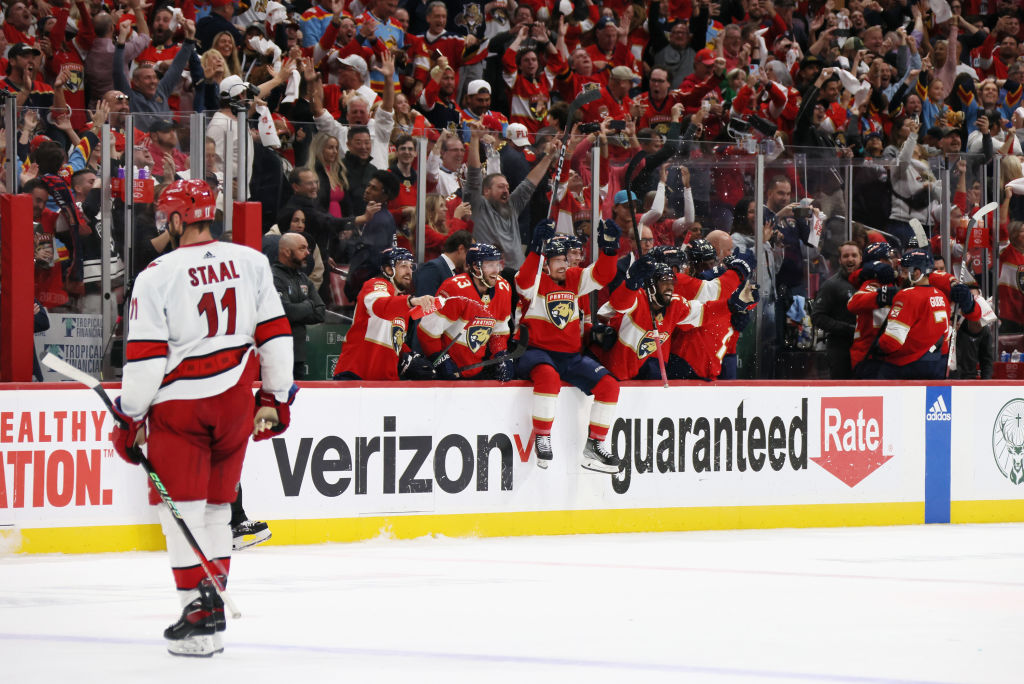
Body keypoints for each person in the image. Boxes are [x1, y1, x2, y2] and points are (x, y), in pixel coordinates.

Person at [109, 179, 296, 657]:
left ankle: (196, 608)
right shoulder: (252, 261)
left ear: (176, 219)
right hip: (235, 401)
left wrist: (129, 417)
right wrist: (274, 398)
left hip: (180, 408)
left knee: (180, 512)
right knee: (218, 511)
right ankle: (210, 617)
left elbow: (147, 359)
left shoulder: (156, 274)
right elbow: (275, 336)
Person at [514, 219, 621, 473]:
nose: (564, 264)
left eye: (565, 259)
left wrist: (609, 249)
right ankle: (542, 436)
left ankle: (595, 444)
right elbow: (524, 281)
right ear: (546, 263)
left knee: (609, 386)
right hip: (535, 352)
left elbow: (602, 275)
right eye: (558, 260)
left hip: (570, 357)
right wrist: (534, 249)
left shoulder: (574, 278)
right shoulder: (535, 281)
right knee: (548, 378)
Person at [595, 258, 732, 381]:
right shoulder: (636, 299)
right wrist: (631, 283)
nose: (670, 286)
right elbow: (618, 304)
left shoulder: (675, 304)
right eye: (664, 281)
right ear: (652, 284)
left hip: (650, 381)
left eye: (672, 281)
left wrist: (732, 304)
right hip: (618, 379)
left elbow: (705, 311)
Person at [866, 249, 980, 379]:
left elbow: (892, 341)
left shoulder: (906, 295)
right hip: (938, 365)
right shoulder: (942, 295)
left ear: (916, 272)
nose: (901, 275)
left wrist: (878, 347)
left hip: (907, 366)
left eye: (904, 271)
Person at [332, 247, 443, 381]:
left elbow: (395, 340)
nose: (409, 272)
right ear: (388, 270)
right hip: (356, 374)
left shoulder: (402, 302)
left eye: (410, 266)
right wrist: (411, 301)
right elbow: (381, 306)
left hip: (384, 379)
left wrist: (409, 357)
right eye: (403, 266)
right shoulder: (375, 285)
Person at [465, 120, 558, 270]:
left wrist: (549, 156)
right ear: (486, 191)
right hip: (490, 271)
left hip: (517, 273)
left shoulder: (512, 205)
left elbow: (530, 182)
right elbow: (474, 176)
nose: (506, 191)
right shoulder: (478, 205)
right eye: (500, 187)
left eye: (507, 187)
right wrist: (475, 139)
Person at [417, 243, 513, 380]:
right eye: (490, 265)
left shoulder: (504, 289)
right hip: (449, 369)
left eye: (498, 264)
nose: (496, 270)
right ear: (475, 266)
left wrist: (501, 355)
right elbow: (427, 331)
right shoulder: (455, 289)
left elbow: (499, 333)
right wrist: (440, 359)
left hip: (477, 370)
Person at [273, 233, 326, 380]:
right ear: (286, 251)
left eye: (307, 249)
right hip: (276, 355)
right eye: (302, 248)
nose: (308, 253)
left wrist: (298, 310)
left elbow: (321, 311)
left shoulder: (303, 278)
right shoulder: (272, 276)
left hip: (298, 357)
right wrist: (309, 305)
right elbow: (284, 311)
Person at [811, 242, 862, 379]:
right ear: (840, 260)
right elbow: (817, 317)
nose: (850, 259)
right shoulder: (831, 285)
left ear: (860, 258)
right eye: (846, 256)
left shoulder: (869, 282)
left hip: (865, 348)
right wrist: (848, 329)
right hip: (840, 349)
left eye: (854, 255)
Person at [414, 230, 472, 297]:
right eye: (469, 253)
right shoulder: (433, 267)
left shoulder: (454, 271)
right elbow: (425, 302)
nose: (470, 258)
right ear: (461, 249)